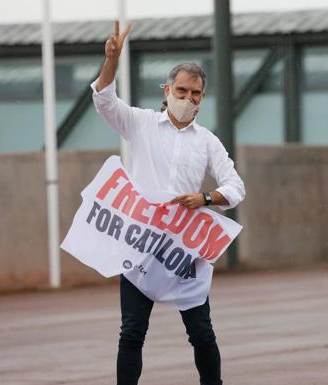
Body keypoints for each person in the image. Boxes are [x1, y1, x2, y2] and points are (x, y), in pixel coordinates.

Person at [91, 21, 245, 385]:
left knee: (202, 334)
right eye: (182, 90)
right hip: (140, 246)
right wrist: (111, 60)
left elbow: (235, 186)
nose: (189, 99)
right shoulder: (140, 124)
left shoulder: (207, 141)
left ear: (202, 98)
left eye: (196, 94)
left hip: (183, 250)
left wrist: (206, 198)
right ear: (167, 89)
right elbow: (104, 100)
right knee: (131, 332)